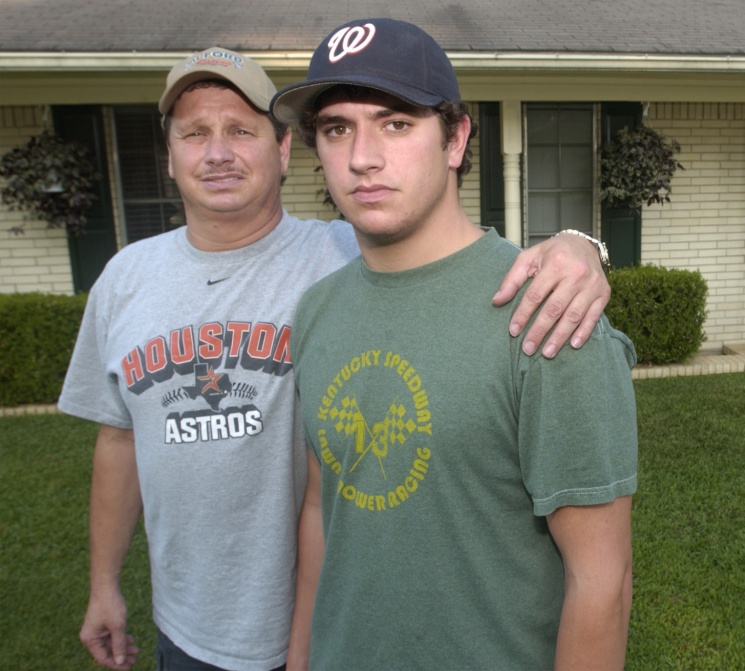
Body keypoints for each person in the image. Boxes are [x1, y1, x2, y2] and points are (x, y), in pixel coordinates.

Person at [59, 46, 613, 671]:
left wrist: (581, 243)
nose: (217, 154)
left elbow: (441, 247)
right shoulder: (132, 279)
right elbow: (119, 439)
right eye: (194, 134)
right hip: (197, 626)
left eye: (241, 130)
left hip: (337, 623)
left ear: (280, 150)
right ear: (168, 154)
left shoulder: (337, 252)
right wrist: (104, 583)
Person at [272, 18, 638, 670]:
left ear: (456, 137)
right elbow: (321, 509)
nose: (362, 157)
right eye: (337, 129)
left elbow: (602, 581)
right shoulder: (315, 312)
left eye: (396, 123)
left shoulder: (548, 313)